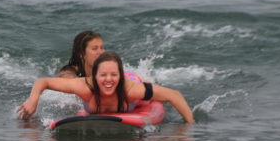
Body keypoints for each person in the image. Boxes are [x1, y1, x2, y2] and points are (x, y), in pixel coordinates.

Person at [17, 51, 195, 123]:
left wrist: (190, 129)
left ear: (119, 74)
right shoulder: (84, 86)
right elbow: (43, 82)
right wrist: (33, 100)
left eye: (113, 75)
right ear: (94, 76)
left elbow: (175, 95)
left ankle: (132, 75)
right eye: (102, 75)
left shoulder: (131, 90)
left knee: (145, 90)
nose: (108, 80)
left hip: (130, 82)